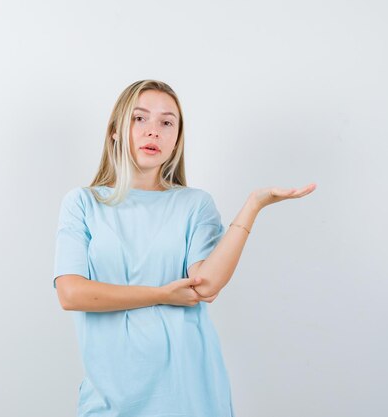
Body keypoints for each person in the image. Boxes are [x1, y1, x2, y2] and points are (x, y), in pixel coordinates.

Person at [52, 79, 316, 417]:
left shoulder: (195, 204)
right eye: (140, 119)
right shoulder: (83, 204)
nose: (154, 132)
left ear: (177, 139)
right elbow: (71, 294)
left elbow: (205, 284)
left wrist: (253, 206)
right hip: (111, 399)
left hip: (189, 394)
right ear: (115, 130)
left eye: (167, 123)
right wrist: (162, 294)